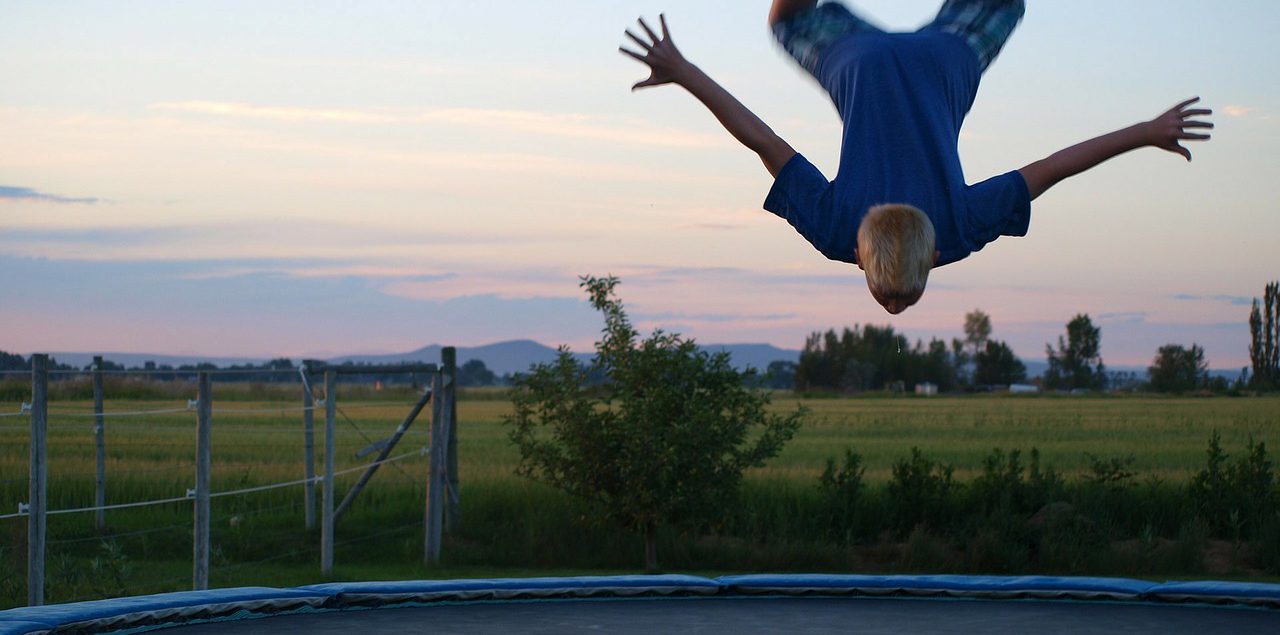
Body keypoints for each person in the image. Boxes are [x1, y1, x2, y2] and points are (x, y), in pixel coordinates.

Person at [620, 1, 1212, 314]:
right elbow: (762, 141)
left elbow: (1052, 167)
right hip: (861, 62)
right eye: (904, 295)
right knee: (786, 20)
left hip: (946, 59)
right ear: (861, 254)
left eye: (891, 296)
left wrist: (1146, 131)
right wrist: (685, 71)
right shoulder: (835, 231)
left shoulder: (957, 231)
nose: (896, 308)